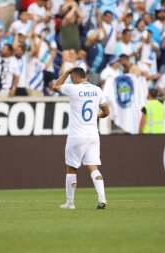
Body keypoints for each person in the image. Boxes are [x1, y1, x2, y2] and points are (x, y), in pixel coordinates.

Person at [53, 67, 110, 210]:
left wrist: (66, 72)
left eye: (71, 77)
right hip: (93, 135)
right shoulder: (97, 90)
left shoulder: (73, 89)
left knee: (71, 169)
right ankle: (102, 197)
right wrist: (95, 116)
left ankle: (70, 203)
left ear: (74, 77)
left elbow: (55, 86)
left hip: (77, 135)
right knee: (93, 167)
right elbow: (106, 112)